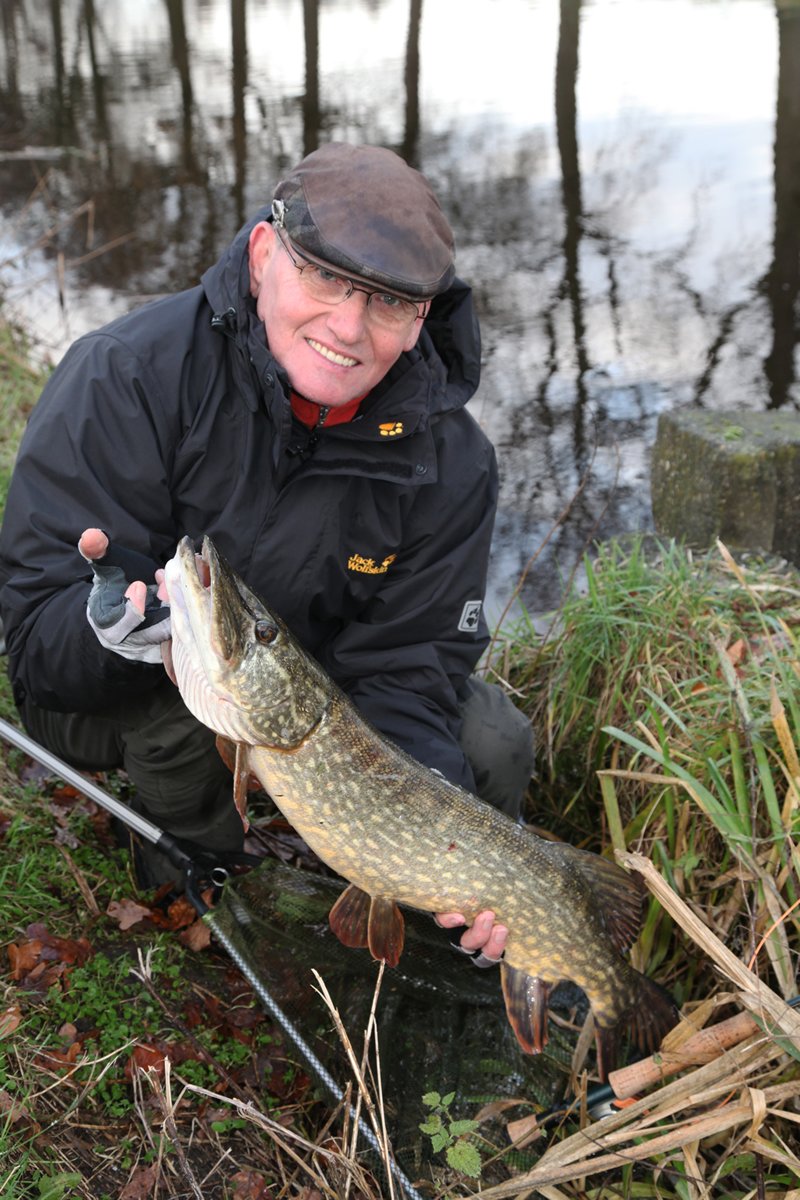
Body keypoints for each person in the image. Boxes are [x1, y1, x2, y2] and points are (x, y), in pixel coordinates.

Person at [0, 142, 533, 965]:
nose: (348, 328)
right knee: (184, 713)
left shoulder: (452, 464)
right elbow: (36, 652)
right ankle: (199, 853)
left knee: (494, 744)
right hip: (115, 692)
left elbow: (408, 670)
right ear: (262, 258)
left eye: (388, 302)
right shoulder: (129, 376)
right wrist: (102, 633)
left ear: (421, 318)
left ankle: (439, 926)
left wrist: (449, 857)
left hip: (301, 698)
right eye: (325, 277)